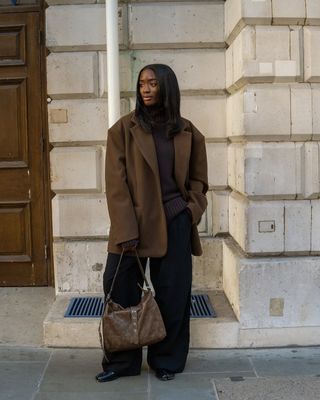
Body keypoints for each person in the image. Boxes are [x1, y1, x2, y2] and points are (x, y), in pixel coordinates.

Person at [96, 64, 208, 383]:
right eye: (142, 83)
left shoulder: (188, 131)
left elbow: (200, 180)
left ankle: (167, 360)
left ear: (167, 88)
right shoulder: (122, 130)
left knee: (174, 294)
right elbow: (115, 186)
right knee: (117, 289)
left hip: (175, 223)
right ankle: (122, 362)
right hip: (132, 224)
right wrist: (126, 230)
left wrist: (190, 210)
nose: (145, 89)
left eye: (153, 83)